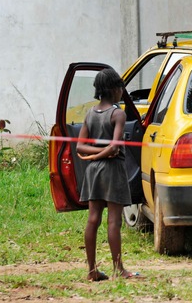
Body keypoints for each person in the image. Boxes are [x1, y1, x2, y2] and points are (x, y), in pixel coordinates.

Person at [76, 67, 139, 281]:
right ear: (114, 89)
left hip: (93, 172)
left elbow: (80, 147)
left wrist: (94, 156)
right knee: (114, 221)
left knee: (93, 219)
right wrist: (104, 153)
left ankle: (92, 271)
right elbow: (114, 146)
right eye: (121, 87)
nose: (122, 91)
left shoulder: (90, 114)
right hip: (112, 171)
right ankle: (118, 269)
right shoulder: (118, 113)